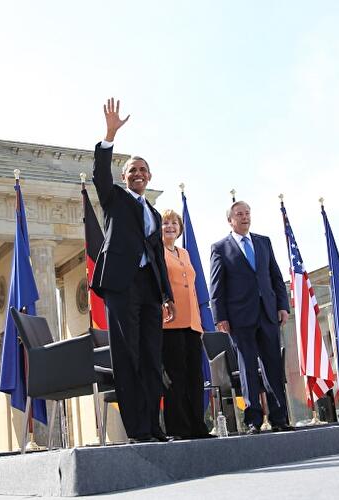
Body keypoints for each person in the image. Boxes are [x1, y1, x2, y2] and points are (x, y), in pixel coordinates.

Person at [90, 98, 175, 443]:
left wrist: (167, 295)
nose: (138, 174)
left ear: (149, 177)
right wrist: (109, 135)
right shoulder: (115, 198)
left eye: (143, 170)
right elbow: (99, 175)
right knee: (129, 356)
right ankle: (137, 429)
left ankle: (154, 426)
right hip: (121, 285)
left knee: (152, 357)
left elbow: (158, 257)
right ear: (124, 178)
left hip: (149, 289)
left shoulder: (153, 213)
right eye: (132, 171)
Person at [208, 201, 293, 434]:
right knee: (247, 368)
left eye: (247, 213)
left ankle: (279, 418)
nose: (245, 217)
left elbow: (275, 276)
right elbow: (216, 286)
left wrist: (282, 305)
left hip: (268, 313)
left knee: (273, 366)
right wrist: (220, 316)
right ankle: (253, 420)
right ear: (230, 220)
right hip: (239, 318)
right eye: (239, 214)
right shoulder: (220, 248)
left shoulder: (263, 242)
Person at [160, 209, 213, 439]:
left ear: (180, 228)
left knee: (195, 376)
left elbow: (191, 288)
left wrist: (198, 322)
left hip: (192, 323)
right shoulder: (157, 251)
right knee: (176, 376)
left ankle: (197, 426)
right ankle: (178, 428)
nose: (170, 226)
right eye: (165, 223)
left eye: (174, 223)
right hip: (170, 322)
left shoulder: (185, 253)